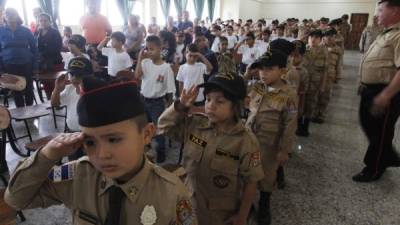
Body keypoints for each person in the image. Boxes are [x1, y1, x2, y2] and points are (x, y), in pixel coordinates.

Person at [5, 75, 197, 225]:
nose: (102, 154)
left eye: (114, 139)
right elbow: (16, 200)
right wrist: (48, 155)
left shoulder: (171, 194)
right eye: (90, 142)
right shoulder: (79, 176)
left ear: (146, 134)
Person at [158, 72, 264, 225]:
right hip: (189, 204)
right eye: (208, 99)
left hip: (220, 214)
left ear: (235, 106)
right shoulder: (195, 125)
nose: (210, 106)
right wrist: (180, 106)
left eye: (219, 101)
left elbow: (251, 182)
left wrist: (242, 216)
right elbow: (163, 127)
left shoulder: (245, 141)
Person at [244, 50, 297, 225]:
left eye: (268, 69)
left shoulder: (289, 94)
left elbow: (289, 124)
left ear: (282, 70)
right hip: (249, 138)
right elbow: (246, 102)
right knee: (246, 172)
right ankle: (247, 203)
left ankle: (264, 205)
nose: (263, 73)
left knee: (266, 176)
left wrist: (284, 150)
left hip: (269, 143)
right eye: (261, 70)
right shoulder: (258, 86)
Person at [353, 0, 400, 182]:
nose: (377, 13)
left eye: (381, 9)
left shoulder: (398, 36)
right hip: (372, 90)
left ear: (395, 10)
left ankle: (373, 168)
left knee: (380, 131)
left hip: (385, 91)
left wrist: (386, 94)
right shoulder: (386, 34)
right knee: (370, 125)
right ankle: (389, 157)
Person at [135, 36, 176, 163]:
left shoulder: (166, 68)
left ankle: (161, 153)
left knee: (159, 129)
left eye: (152, 49)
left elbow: (170, 90)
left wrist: (170, 107)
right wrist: (140, 59)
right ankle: (146, 150)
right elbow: (137, 76)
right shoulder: (145, 63)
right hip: (143, 100)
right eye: (147, 48)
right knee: (143, 126)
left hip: (157, 103)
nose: (148, 51)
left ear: (160, 49)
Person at [0, 8, 37, 107]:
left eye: (13, 14)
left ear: (17, 16)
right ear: (4, 17)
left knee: (29, 88)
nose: (10, 16)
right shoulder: (1, 31)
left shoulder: (26, 30)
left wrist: (35, 65)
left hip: (26, 63)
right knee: (15, 89)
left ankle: (30, 110)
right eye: (8, 14)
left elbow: (34, 48)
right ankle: (20, 111)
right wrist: (1, 69)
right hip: (9, 64)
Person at [51, 57, 93, 133]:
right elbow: (55, 104)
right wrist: (57, 89)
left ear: (90, 75)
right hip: (71, 131)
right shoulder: (70, 88)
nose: (74, 78)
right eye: (72, 74)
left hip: (88, 132)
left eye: (79, 75)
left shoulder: (93, 91)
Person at [313, 28, 343, 123]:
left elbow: (339, 64)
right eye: (327, 36)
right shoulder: (318, 47)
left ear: (335, 38)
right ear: (323, 38)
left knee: (325, 96)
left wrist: (338, 76)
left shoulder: (338, 50)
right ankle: (313, 113)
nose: (329, 38)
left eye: (332, 36)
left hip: (329, 76)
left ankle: (321, 114)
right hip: (317, 75)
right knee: (315, 95)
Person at [302, 29, 328, 132]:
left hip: (314, 84)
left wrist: (322, 86)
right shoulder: (304, 50)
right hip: (303, 83)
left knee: (310, 105)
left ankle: (305, 128)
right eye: (311, 37)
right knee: (300, 105)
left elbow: (325, 71)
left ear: (320, 40)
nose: (313, 39)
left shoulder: (324, 52)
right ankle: (298, 126)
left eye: (316, 38)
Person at [36, 13, 63, 99]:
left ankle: (58, 101)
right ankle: (49, 101)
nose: (43, 22)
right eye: (41, 21)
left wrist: (43, 51)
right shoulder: (38, 32)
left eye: (45, 21)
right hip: (43, 63)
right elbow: (36, 47)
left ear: (50, 21)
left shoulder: (55, 32)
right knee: (46, 84)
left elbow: (57, 47)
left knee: (56, 84)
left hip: (55, 62)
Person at [289, 40, 310, 137]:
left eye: (296, 56)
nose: (293, 59)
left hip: (296, 101)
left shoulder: (303, 72)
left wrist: (300, 109)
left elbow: (303, 92)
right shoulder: (286, 69)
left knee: (293, 122)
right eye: (291, 56)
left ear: (302, 57)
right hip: (285, 101)